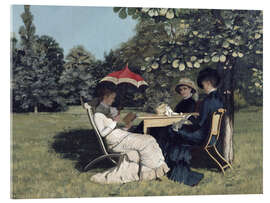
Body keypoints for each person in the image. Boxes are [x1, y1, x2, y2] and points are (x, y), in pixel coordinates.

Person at [90, 88, 169, 184]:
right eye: (112, 98)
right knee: (145, 142)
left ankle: (154, 170)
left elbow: (114, 129)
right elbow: (103, 133)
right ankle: (152, 170)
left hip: (121, 136)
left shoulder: (107, 111)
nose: (113, 100)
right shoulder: (98, 114)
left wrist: (127, 127)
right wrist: (114, 121)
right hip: (115, 141)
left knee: (150, 138)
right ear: (105, 97)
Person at [166, 67, 224, 186]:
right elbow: (203, 120)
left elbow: (199, 124)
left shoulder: (208, 100)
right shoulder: (219, 98)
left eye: (203, 84)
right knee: (177, 132)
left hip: (202, 136)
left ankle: (176, 170)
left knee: (173, 131)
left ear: (208, 83)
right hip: (210, 135)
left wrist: (187, 119)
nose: (203, 87)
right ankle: (175, 168)